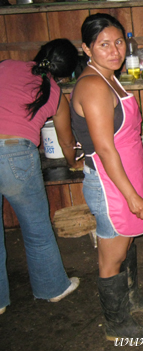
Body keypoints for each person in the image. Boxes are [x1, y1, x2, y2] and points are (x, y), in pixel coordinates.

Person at [71, 13, 143, 341]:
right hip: (109, 183)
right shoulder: (94, 85)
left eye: (119, 42)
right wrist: (132, 195)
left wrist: (136, 189)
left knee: (128, 240)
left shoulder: (109, 76)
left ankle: (132, 298)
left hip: (126, 175)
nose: (114, 50)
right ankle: (116, 325)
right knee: (112, 257)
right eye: (103, 44)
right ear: (87, 48)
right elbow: (107, 150)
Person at [0, 39, 81, 315]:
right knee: (36, 230)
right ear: (66, 72)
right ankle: (52, 289)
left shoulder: (6, 65)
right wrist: (73, 164)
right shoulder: (56, 93)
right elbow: (66, 140)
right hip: (16, 155)